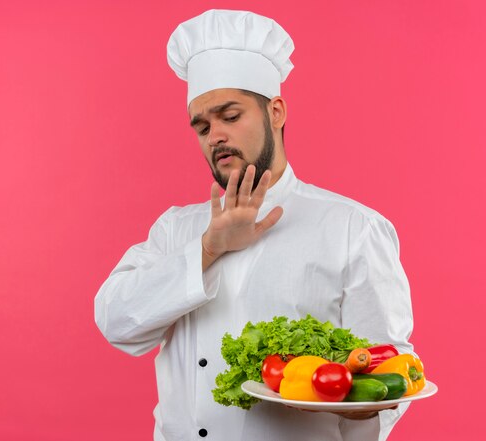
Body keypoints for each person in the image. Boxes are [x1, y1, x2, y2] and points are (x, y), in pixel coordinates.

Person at [95, 9, 415, 441]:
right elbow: (117, 322)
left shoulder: (353, 228)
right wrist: (208, 248)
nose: (215, 137)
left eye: (230, 116)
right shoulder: (175, 230)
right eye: (203, 126)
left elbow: (386, 365)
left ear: (276, 111)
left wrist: (364, 407)